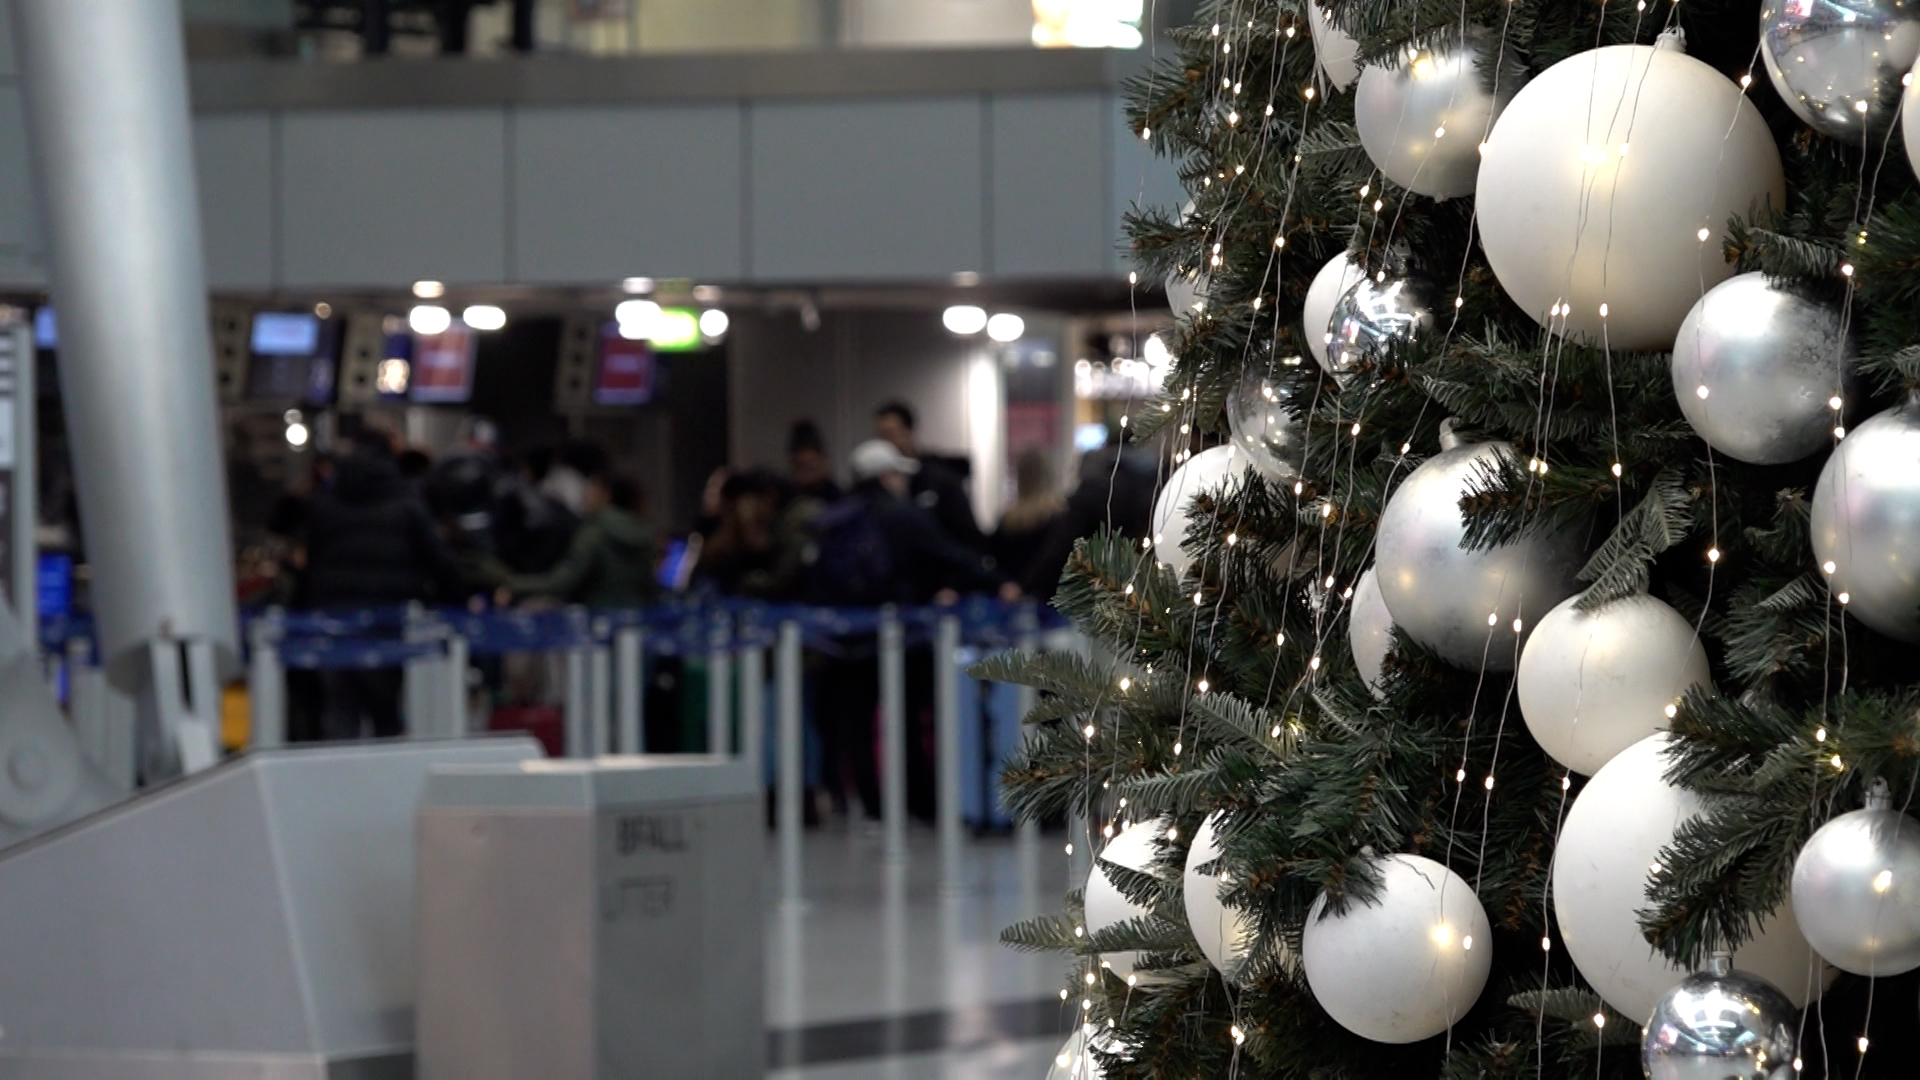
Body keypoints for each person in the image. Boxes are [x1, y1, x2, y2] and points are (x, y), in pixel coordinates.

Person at [809, 440, 1015, 822]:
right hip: (904, 637)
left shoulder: (836, 519)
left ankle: (871, 804)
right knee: (907, 717)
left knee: (856, 721)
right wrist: (999, 582)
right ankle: (917, 800)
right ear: (887, 476)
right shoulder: (903, 515)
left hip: (845, 639)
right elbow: (947, 553)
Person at [303, 436, 469, 740]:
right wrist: (457, 602)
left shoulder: (325, 506)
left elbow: (310, 566)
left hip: (335, 625)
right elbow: (438, 561)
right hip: (386, 623)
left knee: (341, 714)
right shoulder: (405, 504)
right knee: (385, 717)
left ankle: (337, 784)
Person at [1017, 435, 1159, 601]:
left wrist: (1024, 587)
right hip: (1143, 591)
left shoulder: (1092, 491)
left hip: (1088, 595)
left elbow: (1061, 549)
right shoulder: (1154, 488)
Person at [500, 472, 659, 609]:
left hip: (598, 623)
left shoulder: (594, 533)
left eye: (591, 489)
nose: (586, 496)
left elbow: (563, 582)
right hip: (638, 623)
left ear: (605, 494)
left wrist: (514, 585)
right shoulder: (645, 534)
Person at [872, 401, 988, 555]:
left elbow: (966, 534)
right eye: (881, 437)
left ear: (909, 432)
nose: (885, 444)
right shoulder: (877, 484)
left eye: (890, 434)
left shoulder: (940, 479)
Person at [991, 448, 1066, 591]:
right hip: (1048, 599)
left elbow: (995, 562)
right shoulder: (1060, 517)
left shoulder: (1007, 520)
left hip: (1010, 599)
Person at [787, 419, 842, 503]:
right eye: (801, 467)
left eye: (811, 468)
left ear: (823, 460)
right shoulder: (788, 497)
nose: (806, 475)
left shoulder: (838, 497)